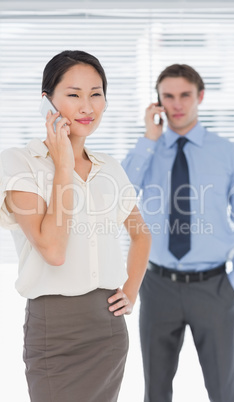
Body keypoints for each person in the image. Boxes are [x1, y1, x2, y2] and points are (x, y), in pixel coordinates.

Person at [0, 50, 151, 402]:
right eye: (73, 94)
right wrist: (64, 165)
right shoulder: (20, 164)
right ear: (47, 103)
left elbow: (141, 233)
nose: (87, 106)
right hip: (56, 332)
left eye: (96, 93)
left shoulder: (109, 167)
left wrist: (131, 290)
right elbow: (53, 250)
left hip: (108, 329)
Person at [122, 63, 234, 402]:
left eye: (185, 95)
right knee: (155, 390)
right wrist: (148, 140)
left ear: (200, 96)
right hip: (157, 288)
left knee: (222, 390)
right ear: (158, 103)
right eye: (168, 96)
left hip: (213, 288)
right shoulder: (147, 150)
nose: (177, 104)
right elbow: (119, 193)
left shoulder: (230, 154)